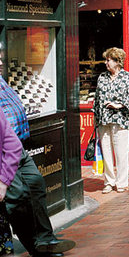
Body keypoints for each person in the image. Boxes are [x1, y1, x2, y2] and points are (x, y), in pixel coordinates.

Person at [0, 46, 75, 257]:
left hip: (16, 147)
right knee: (18, 200)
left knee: (36, 185)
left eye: (0, 58)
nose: (1, 63)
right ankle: (37, 247)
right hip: (5, 155)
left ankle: (46, 239)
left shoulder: (1, 80)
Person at [94, 48, 129, 194]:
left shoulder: (127, 77)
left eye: (108, 60)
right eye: (106, 60)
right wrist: (96, 118)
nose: (106, 63)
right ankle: (108, 182)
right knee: (106, 152)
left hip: (120, 119)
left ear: (117, 62)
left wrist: (119, 105)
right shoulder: (102, 77)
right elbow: (97, 98)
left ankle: (121, 183)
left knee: (121, 153)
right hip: (104, 119)